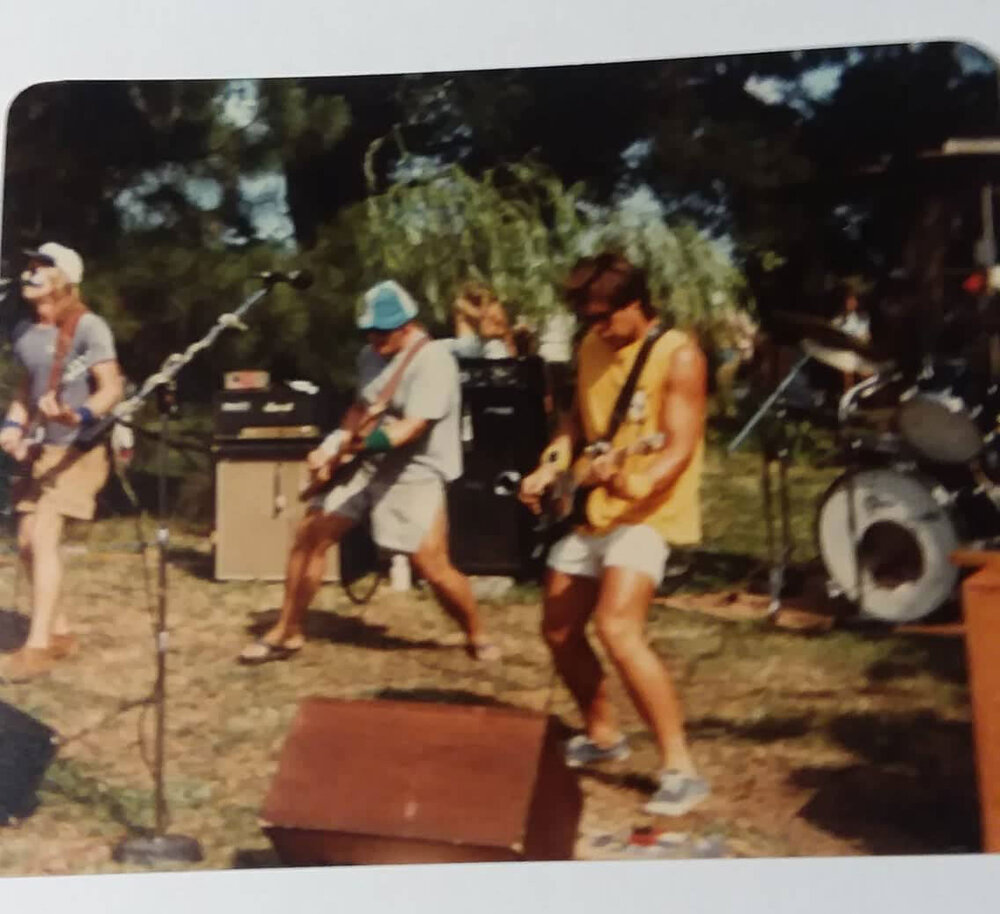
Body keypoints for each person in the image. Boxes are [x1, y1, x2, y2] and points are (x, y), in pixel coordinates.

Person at [519, 252, 709, 816]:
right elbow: (575, 425)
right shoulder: (590, 347)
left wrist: (633, 481)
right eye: (588, 318)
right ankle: (603, 737)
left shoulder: (680, 356)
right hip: (595, 506)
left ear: (636, 303)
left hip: (649, 511)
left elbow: (677, 448)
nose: (597, 327)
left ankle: (680, 769)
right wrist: (551, 465)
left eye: (605, 316)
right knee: (557, 629)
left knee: (617, 627)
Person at [238, 280, 499, 665]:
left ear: (407, 326)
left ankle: (476, 633)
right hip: (368, 462)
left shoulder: (434, 361)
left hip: (417, 468)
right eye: (369, 332)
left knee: (431, 565)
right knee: (310, 535)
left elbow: (411, 428)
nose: (374, 340)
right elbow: (362, 409)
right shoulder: (369, 356)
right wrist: (331, 447)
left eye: (382, 332)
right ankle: (287, 630)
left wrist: (354, 447)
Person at [0, 242, 123, 682]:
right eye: (29, 265)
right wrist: (12, 429)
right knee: (30, 541)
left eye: (41, 267)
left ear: (65, 279)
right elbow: (26, 390)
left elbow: (112, 387)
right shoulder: (25, 333)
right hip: (42, 449)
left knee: (46, 533)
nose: (30, 272)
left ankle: (36, 648)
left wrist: (81, 413)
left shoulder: (89, 328)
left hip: (79, 448)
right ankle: (61, 630)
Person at [447, 281, 516, 359]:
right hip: (466, 341)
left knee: (495, 345)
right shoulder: (460, 302)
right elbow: (479, 315)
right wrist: (485, 299)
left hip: (475, 341)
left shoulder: (474, 305)